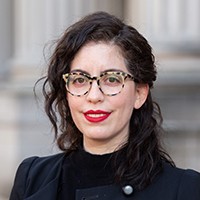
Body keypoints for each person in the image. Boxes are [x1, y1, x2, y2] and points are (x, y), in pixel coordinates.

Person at [10, 11, 200, 200]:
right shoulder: (31, 178)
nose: (94, 96)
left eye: (111, 79)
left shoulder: (184, 189)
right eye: (79, 79)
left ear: (139, 94)